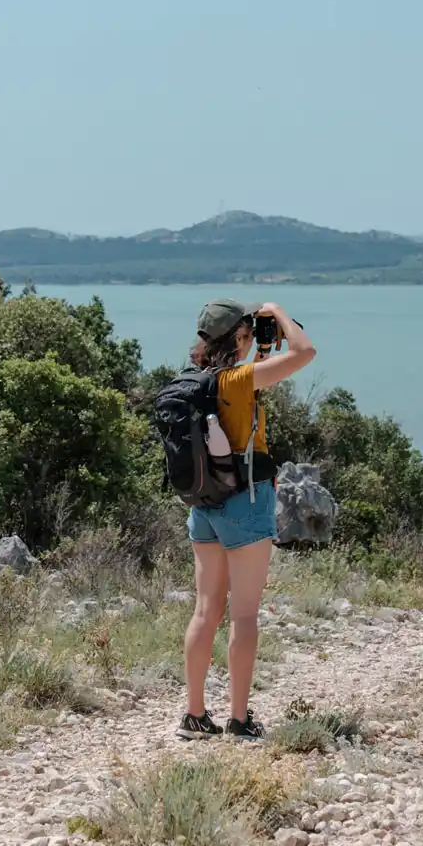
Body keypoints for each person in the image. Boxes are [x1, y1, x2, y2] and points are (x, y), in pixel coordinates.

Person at [177, 298, 316, 741]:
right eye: (247, 333)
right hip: (245, 502)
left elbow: (248, 384)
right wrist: (276, 314)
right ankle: (239, 719)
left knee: (205, 610)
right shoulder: (238, 380)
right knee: (244, 615)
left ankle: (194, 715)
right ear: (238, 335)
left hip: (203, 506)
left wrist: (252, 347)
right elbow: (304, 353)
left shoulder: (197, 380)